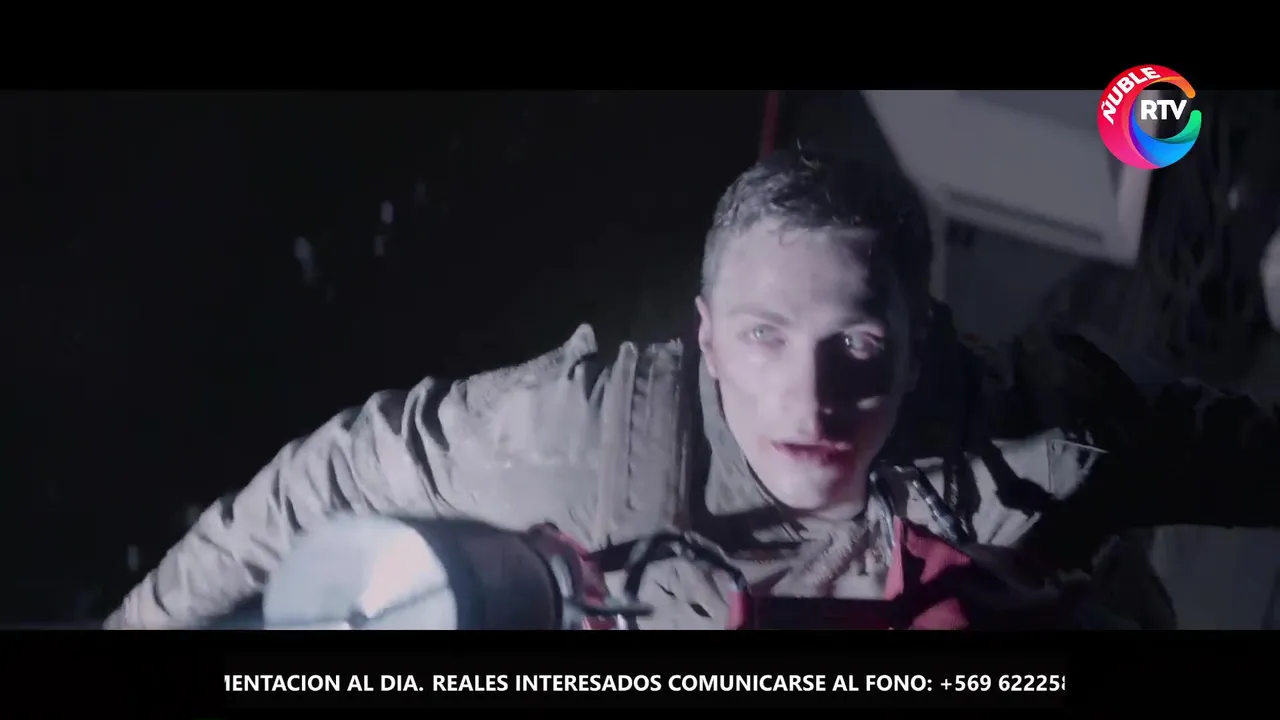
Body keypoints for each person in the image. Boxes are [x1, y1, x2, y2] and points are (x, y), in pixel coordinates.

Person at [107, 151, 1280, 630]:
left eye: (855, 342)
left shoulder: (1045, 435)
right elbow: (326, 477)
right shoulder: (571, 439)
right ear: (708, 339)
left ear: (919, 343)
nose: (811, 402)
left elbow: (1227, 455)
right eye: (765, 338)